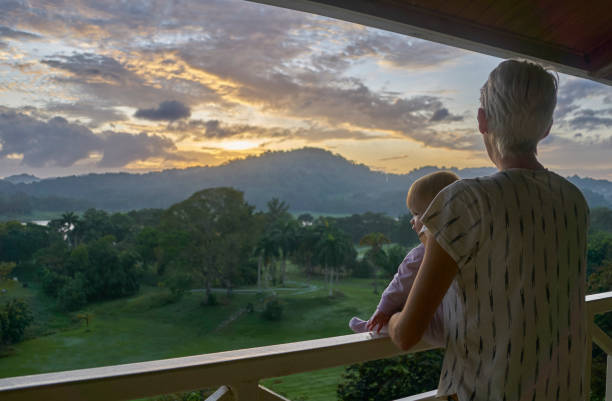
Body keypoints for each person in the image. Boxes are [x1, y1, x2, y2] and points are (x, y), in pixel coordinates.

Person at [388, 59, 589, 401]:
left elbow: (408, 333)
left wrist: (390, 317)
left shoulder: (465, 201)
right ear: (547, 128)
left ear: (482, 120)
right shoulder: (572, 200)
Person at [348, 171, 459, 348]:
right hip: (465, 323)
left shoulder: (421, 253)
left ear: (435, 215)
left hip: (439, 325)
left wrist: (382, 310)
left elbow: (400, 284)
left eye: (416, 214)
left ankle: (373, 325)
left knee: (399, 314)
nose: (412, 221)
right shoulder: (469, 244)